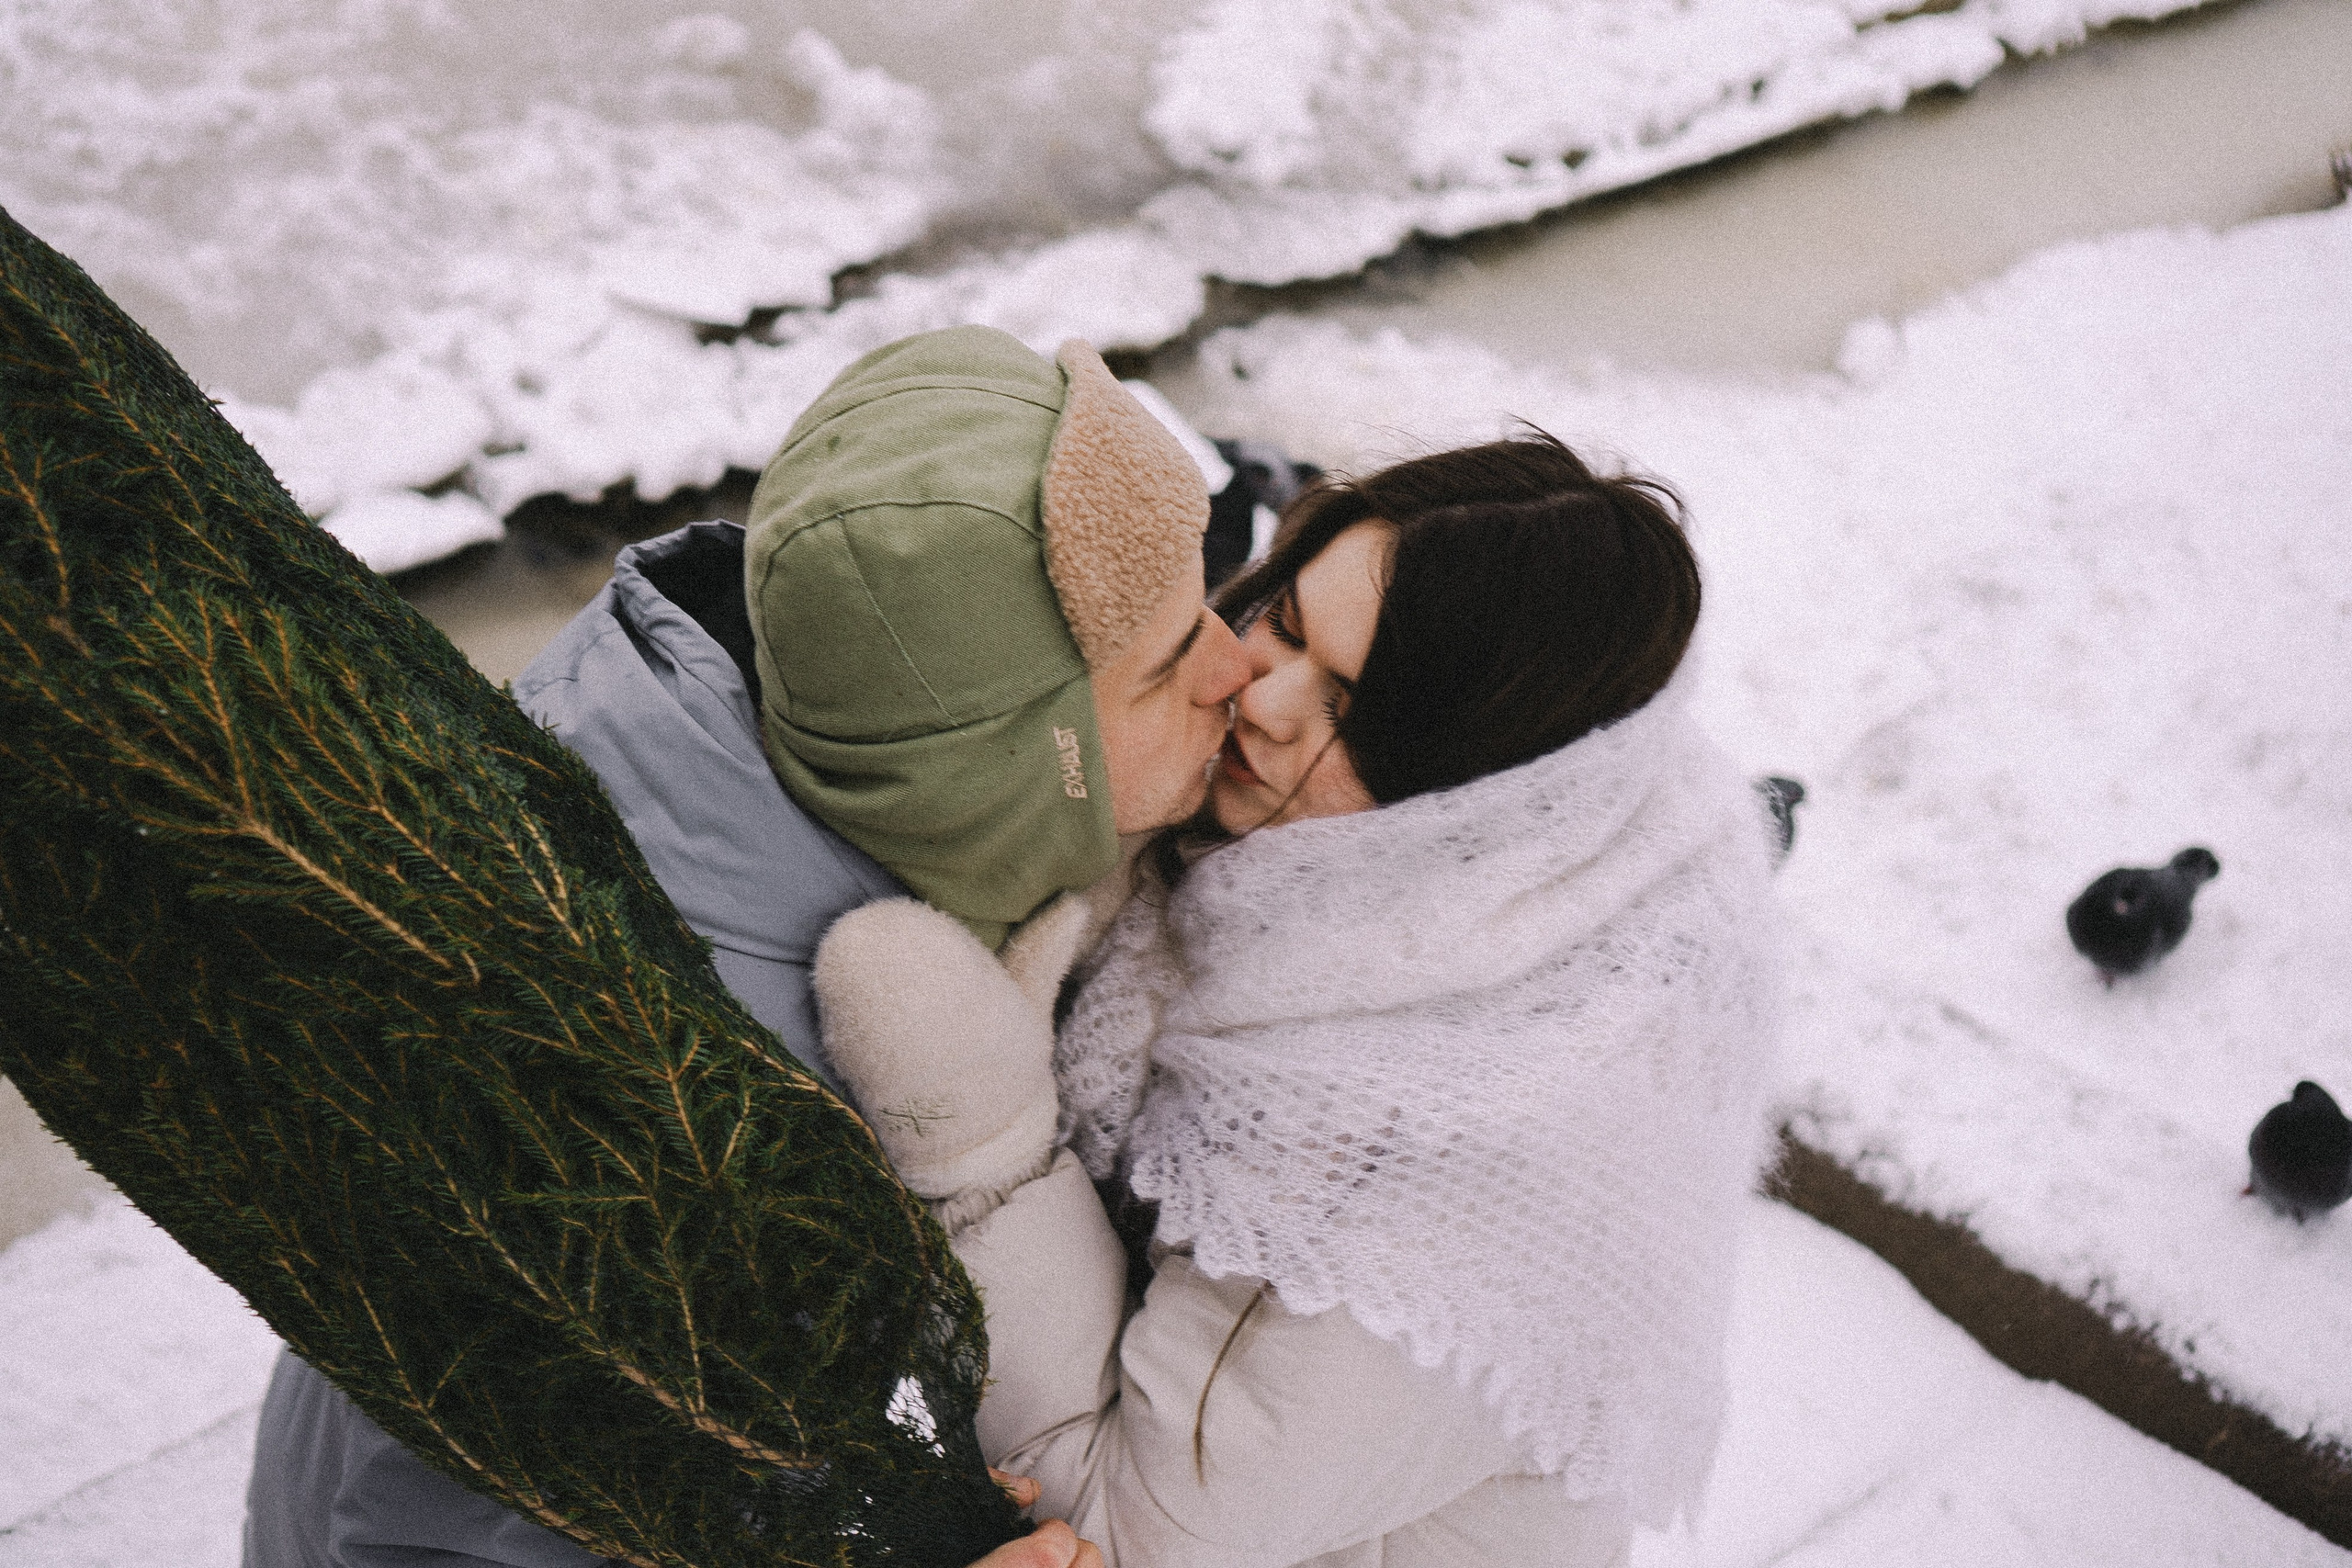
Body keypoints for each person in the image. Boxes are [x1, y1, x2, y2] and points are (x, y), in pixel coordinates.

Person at [241, 325, 1247, 1568]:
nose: (1243, 664)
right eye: (1167, 661)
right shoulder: (670, 1103)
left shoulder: (774, 771)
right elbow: (431, 1535)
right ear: (1001, 769)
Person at [808, 433, 1785, 1568]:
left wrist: (980, 1138)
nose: (1256, 696)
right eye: (1281, 620)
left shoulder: (1409, 1153)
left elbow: (1124, 1532)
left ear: (1478, 789)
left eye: (1356, 712)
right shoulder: (1540, 835)